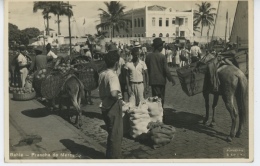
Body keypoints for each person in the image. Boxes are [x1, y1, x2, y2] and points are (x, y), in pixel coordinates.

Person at [98, 50, 123, 159]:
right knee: (116, 136)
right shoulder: (113, 76)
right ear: (116, 64)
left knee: (111, 134)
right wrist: (119, 98)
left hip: (104, 107)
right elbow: (113, 93)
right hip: (113, 107)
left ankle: (109, 157)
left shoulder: (102, 74)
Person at [145, 38, 176, 109]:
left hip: (153, 80)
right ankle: (160, 112)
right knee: (161, 98)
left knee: (155, 98)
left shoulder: (148, 56)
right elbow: (166, 70)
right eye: (161, 45)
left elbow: (146, 68)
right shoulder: (162, 57)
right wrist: (171, 79)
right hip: (161, 80)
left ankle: (156, 112)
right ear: (158, 46)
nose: (162, 47)